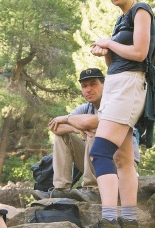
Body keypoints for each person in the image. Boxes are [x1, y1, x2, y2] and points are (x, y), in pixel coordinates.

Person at [77, 0, 155, 228]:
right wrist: (106, 51)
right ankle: (130, 226)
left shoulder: (141, 11)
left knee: (100, 153)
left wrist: (110, 42)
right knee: (123, 159)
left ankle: (110, 225)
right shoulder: (121, 19)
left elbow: (140, 54)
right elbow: (117, 64)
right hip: (117, 84)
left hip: (129, 87)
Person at [33, 68, 140, 203]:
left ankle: (92, 188)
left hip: (122, 165)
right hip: (97, 161)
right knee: (63, 136)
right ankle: (61, 190)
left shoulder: (115, 105)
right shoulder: (85, 108)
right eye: (84, 86)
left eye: (93, 84)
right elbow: (56, 127)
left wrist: (68, 120)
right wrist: (77, 129)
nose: (88, 89)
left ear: (105, 85)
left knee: (95, 131)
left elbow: (90, 123)